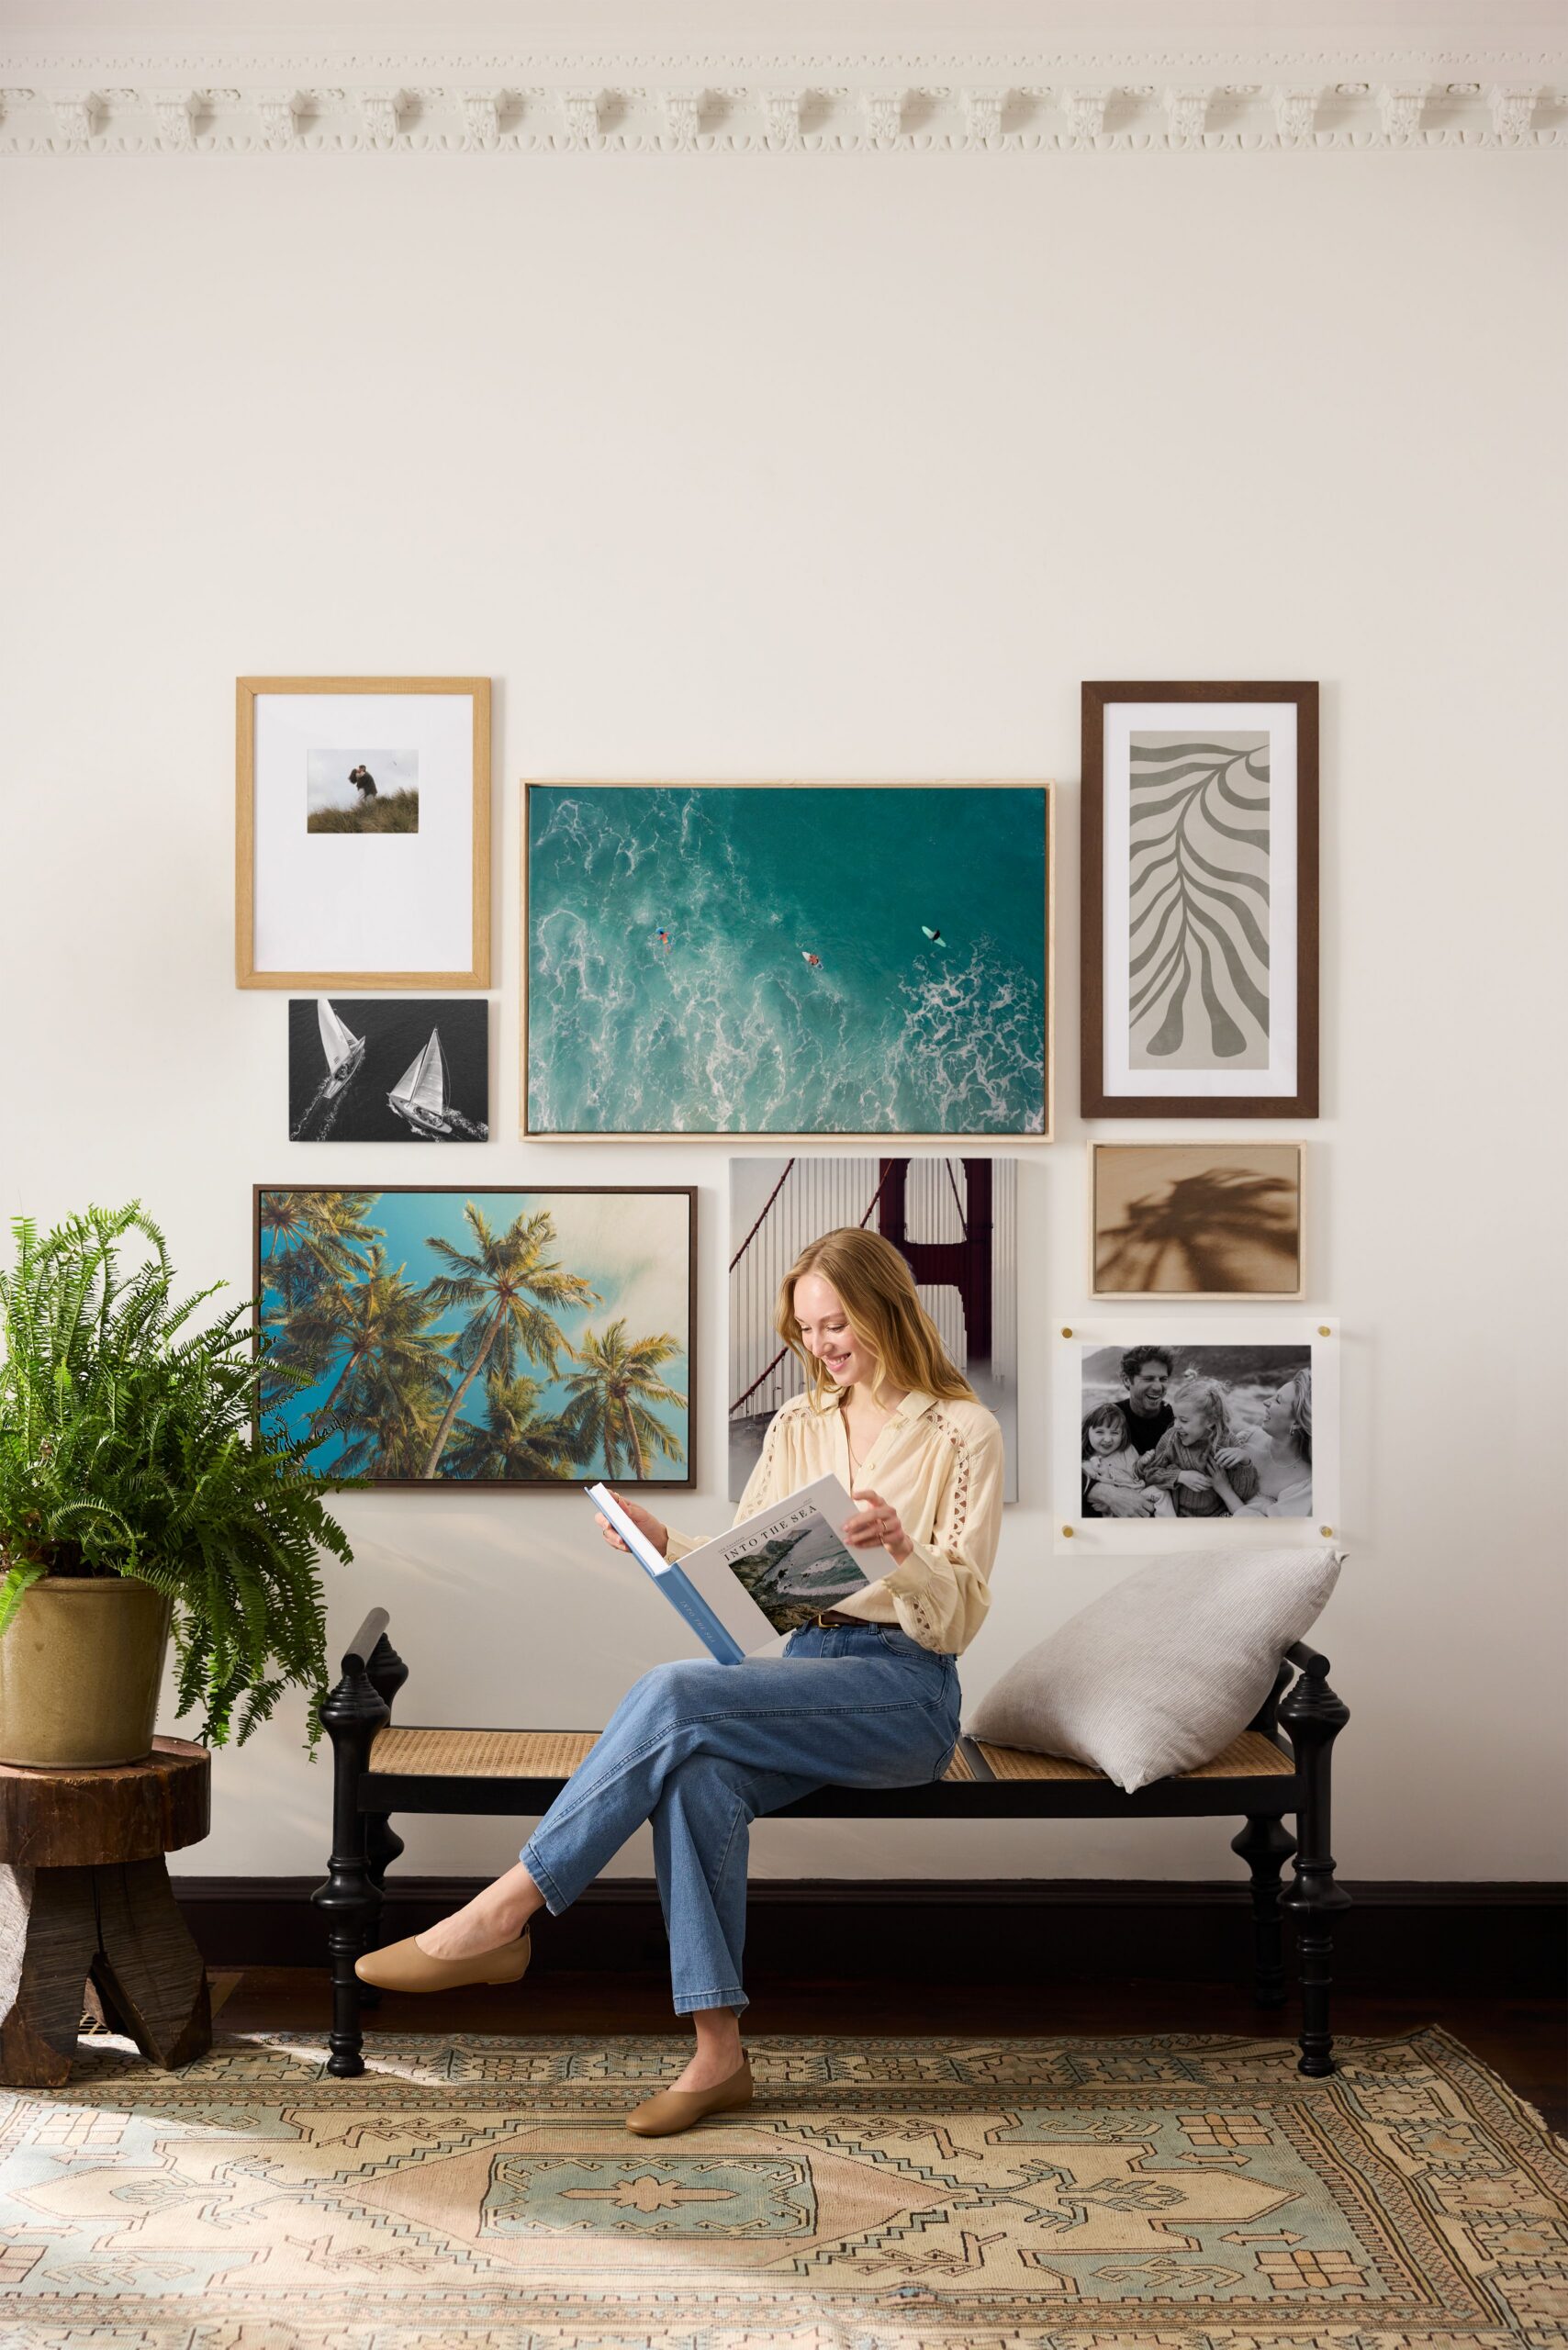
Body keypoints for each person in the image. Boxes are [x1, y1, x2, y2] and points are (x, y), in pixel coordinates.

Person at [356, 1225, 1003, 2137]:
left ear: (885, 1305)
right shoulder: (796, 1423)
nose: (822, 1345)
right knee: (696, 1779)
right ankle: (717, 2054)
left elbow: (961, 1617)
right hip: (806, 1673)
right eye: (808, 1328)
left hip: (904, 1692)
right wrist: (666, 1545)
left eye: (836, 1321)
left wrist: (901, 1552)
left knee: (671, 1692)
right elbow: (755, 1582)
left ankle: (501, 1912)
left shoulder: (962, 1431)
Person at [1137, 1377, 1260, 1518]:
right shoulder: (1171, 1439)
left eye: (1183, 1420)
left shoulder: (1227, 1442)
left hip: (1219, 1515)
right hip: (1178, 1514)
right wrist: (1179, 1476)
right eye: (1175, 1418)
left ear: (1209, 1421)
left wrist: (1244, 1462)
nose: (1176, 1426)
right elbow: (1150, 1474)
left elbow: (1245, 1494)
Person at [1209, 1369, 1313, 1517]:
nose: (1266, 1402)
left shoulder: (1305, 1484)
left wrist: (1224, 1490)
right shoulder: (1246, 1438)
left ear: (1296, 1423)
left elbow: (1269, 1530)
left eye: (1277, 1400)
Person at [1084, 1347, 1175, 1516]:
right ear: (1127, 1380)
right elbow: (1065, 1467)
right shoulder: (1109, 1419)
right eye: (1148, 1378)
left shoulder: (1175, 1420)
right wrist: (1109, 1494)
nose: (1158, 1387)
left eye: (1163, 1379)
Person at [1081, 1397, 1172, 1516]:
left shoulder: (1127, 1450)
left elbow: (1136, 1474)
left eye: (1114, 1433)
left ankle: (1167, 1525)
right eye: (1100, 1432)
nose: (1108, 1439)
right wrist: (1104, 1475)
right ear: (1087, 1431)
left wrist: (1141, 1463)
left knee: (1161, 1492)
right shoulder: (1087, 1464)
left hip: (1140, 1493)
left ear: (1123, 1434)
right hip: (1114, 1507)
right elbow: (1097, 1497)